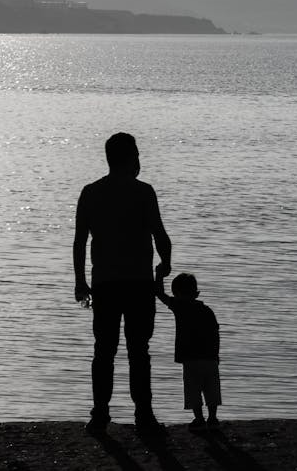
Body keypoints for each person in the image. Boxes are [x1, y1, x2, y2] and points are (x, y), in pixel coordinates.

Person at [73, 132, 172, 434]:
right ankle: (144, 415)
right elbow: (160, 235)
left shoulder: (91, 192)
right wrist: (164, 266)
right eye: (138, 155)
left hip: (105, 283)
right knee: (138, 351)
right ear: (130, 159)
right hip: (139, 283)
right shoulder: (144, 192)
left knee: (104, 351)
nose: (140, 160)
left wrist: (80, 281)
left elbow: (79, 242)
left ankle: (100, 415)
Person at [155, 271, 222, 430]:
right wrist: (216, 355)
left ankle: (199, 419)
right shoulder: (207, 311)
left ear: (176, 294)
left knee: (193, 389)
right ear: (196, 292)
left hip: (191, 358)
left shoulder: (180, 306)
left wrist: (159, 275)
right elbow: (215, 333)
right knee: (211, 388)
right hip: (210, 358)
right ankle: (212, 418)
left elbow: (159, 293)